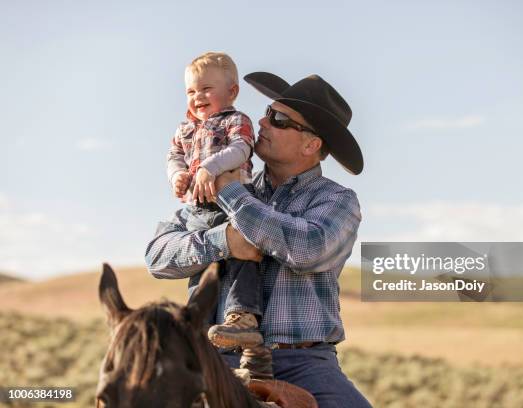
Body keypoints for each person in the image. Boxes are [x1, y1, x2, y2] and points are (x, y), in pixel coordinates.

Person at [145, 71, 372, 407]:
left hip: (303, 363)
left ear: (312, 144)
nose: (262, 124)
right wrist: (223, 240)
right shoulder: (224, 189)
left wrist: (230, 193)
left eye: (279, 120)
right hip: (218, 360)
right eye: (267, 113)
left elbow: (308, 248)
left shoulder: (336, 200)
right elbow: (157, 255)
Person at [165, 51, 264, 349]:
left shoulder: (235, 120)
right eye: (191, 91)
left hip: (232, 200)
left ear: (231, 91)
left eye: (207, 89)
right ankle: (198, 321)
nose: (198, 97)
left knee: (240, 258)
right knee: (200, 265)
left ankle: (242, 316)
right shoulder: (185, 129)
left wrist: (211, 168)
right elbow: (173, 157)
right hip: (197, 208)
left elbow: (242, 149)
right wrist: (177, 176)